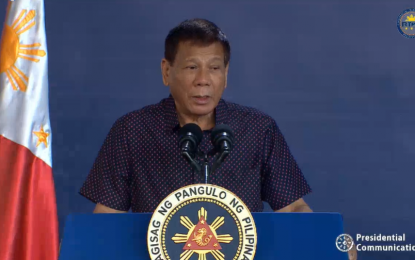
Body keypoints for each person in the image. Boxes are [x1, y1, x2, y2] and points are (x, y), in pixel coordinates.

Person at [79, 18, 356, 259]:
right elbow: (107, 217)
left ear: (226, 74)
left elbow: (294, 207)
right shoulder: (132, 130)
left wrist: (327, 242)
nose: (204, 80)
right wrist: (82, 247)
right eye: (191, 68)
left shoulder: (257, 128)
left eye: (214, 68)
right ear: (166, 71)